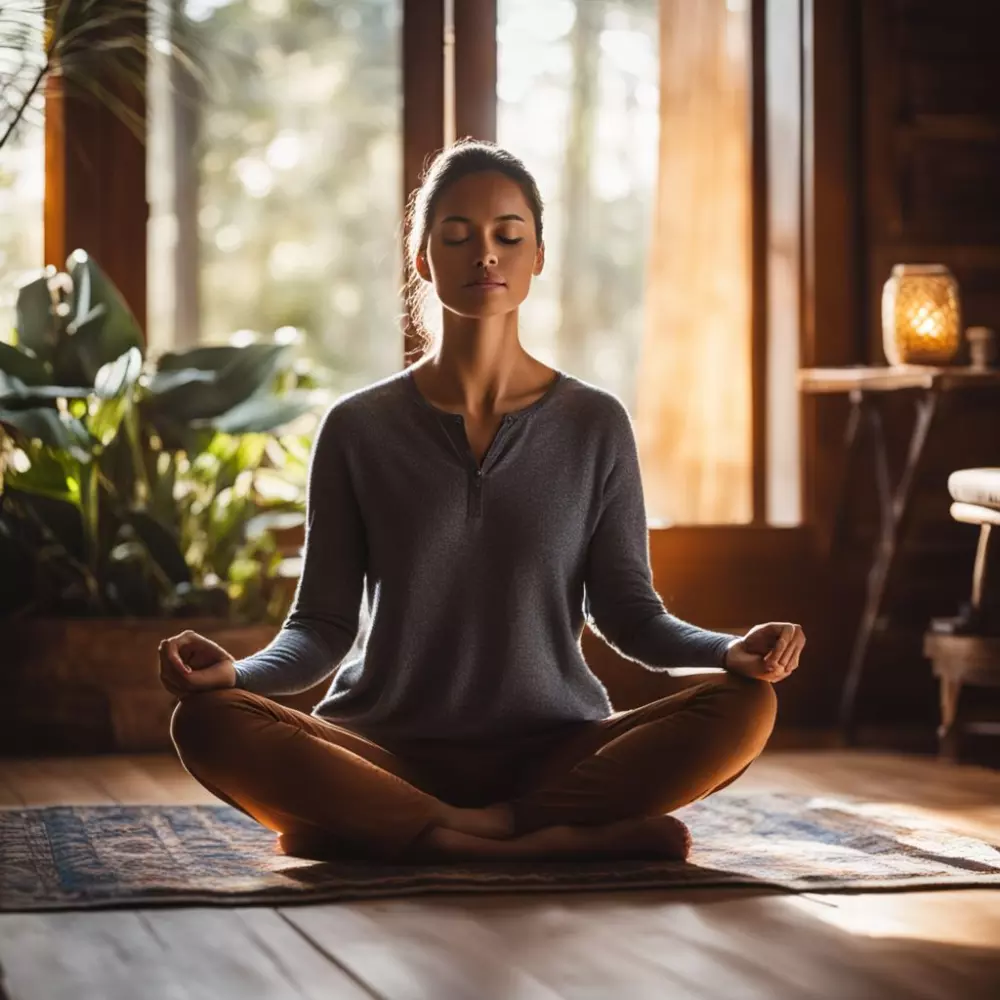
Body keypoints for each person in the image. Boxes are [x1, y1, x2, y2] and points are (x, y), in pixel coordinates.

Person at [162, 139, 804, 865]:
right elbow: (321, 626)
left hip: (554, 752)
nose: (486, 255)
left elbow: (629, 612)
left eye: (508, 235)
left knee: (747, 707)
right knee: (207, 722)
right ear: (423, 257)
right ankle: (534, 842)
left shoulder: (595, 424)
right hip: (382, 747)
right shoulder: (357, 428)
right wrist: (235, 677)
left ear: (537, 256)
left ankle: (415, 836)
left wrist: (730, 650)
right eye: (458, 235)